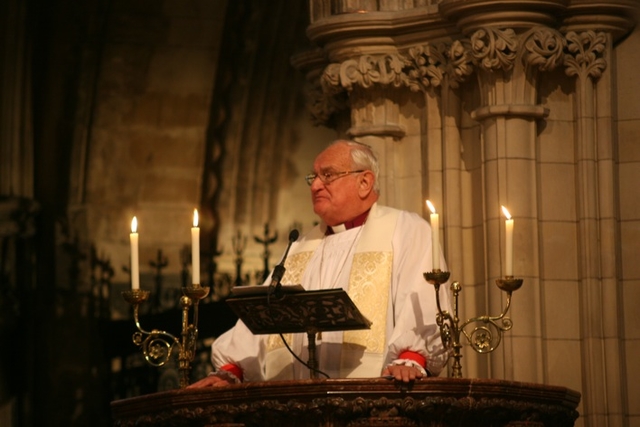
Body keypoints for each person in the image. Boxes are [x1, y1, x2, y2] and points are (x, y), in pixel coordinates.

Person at [188, 139, 451, 388]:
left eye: (328, 175)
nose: (315, 186)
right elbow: (266, 313)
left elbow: (422, 300)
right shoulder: (300, 247)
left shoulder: (405, 230)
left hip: (375, 400)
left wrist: (411, 357)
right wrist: (232, 371)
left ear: (364, 182)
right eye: (313, 177)